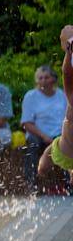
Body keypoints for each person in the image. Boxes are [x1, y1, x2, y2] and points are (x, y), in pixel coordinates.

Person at [20, 64, 67, 193]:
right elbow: (26, 123)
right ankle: (32, 185)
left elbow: (67, 119)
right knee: (33, 145)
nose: (43, 81)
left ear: (53, 79)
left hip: (59, 134)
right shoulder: (31, 96)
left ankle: (68, 185)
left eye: (46, 77)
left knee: (68, 145)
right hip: (38, 135)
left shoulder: (61, 95)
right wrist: (44, 136)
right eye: (40, 78)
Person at [37, 26, 73, 186]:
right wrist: (68, 52)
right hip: (62, 148)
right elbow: (66, 73)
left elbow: (67, 73)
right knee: (44, 166)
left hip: (65, 149)